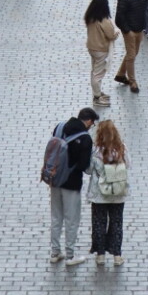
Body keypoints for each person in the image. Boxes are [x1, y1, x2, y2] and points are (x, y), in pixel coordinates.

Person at [46, 107, 98, 265]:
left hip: (54, 180)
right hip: (72, 183)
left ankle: (55, 252)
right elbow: (84, 166)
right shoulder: (85, 139)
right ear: (88, 121)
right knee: (71, 219)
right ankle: (70, 255)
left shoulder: (60, 127)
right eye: (92, 123)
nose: (92, 126)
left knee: (56, 217)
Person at [86, 119, 128, 267]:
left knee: (99, 223)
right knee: (116, 223)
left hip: (99, 195)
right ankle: (117, 256)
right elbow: (127, 165)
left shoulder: (96, 151)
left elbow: (89, 170)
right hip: (117, 193)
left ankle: (100, 255)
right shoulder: (121, 148)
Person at [113, 0, 148, 93]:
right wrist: (127, 31)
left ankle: (121, 74)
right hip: (130, 31)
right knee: (131, 55)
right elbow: (119, 17)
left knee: (132, 53)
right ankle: (133, 81)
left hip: (139, 29)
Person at [84, 0, 117, 108]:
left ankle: (97, 93)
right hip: (101, 49)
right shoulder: (104, 20)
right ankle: (97, 97)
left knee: (94, 71)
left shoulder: (90, 17)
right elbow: (111, 35)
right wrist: (117, 32)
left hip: (91, 47)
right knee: (98, 74)